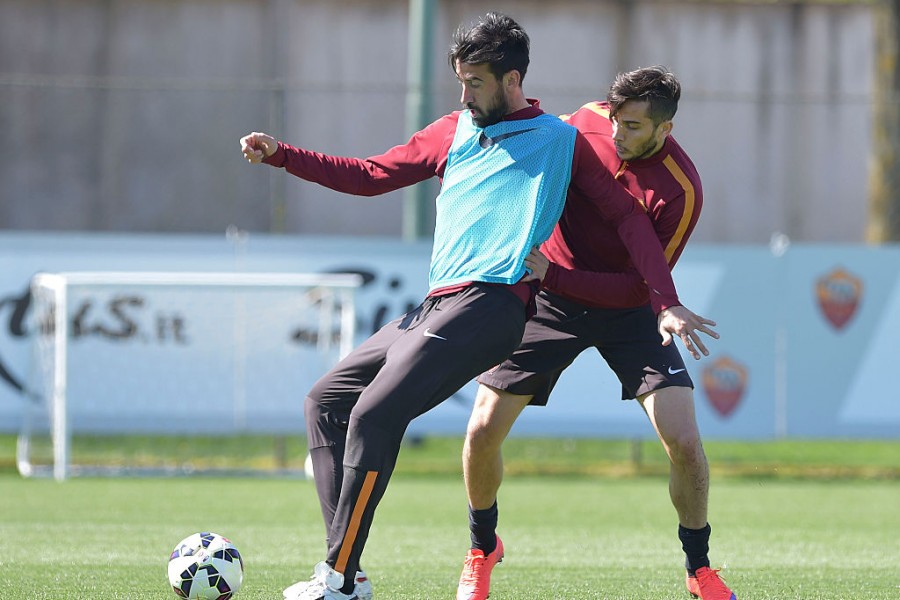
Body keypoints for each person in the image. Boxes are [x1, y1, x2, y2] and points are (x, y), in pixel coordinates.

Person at [241, 13, 706, 599]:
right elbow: (370, 175)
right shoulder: (452, 129)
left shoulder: (560, 140)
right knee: (327, 403)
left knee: (375, 416)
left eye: (475, 82)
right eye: (459, 81)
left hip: (492, 303)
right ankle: (352, 569)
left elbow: (625, 219)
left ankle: (335, 579)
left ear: (512, 79)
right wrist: (284, 155)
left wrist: (666, 301)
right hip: (437, 303)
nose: (464, 95)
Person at [456, 66, 735, 600]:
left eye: (633, 127)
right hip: (549, 302)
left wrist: (664, 306)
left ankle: (698, 568)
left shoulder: (681, 190)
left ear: (665, 129)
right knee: (480, 430)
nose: (617, 135)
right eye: (616, 119)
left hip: (628, 313)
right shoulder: (582, 121)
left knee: (685, 442)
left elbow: (638, 287)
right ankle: (481, 546)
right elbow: (530, 152)